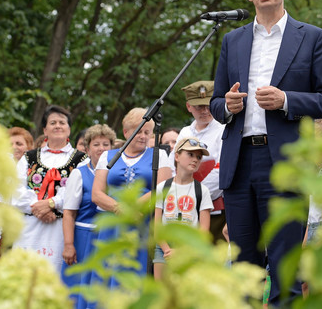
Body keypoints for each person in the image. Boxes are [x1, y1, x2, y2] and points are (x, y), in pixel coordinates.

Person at [209, 0, 322, 304]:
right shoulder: (232, 41)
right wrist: (228, 106)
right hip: (238, 166)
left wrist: (286, 100)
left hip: (285, 164)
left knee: (284, 269)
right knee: (244, 269)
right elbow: (215, 103)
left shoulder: (312, 37)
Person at [91, 107, 172, 287]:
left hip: (142, 222)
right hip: (112, 224)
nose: (143, 136)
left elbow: (162, 189)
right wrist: (120, 208)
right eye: (138, 131)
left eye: (147, 132)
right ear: (126, 132)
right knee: (107, 273)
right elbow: (97, 194)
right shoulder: (108, 156)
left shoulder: (159, 155)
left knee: (134, 273)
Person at [11, 105, 87, 273]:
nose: (58, 126)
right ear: (45, 130)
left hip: (61, 229)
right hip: (30, 227)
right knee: (24, 274)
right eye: (53, 123)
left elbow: (77, 190)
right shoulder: (29, 157)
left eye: (62, 122)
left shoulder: (81, 159)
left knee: (54, 276)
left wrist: (52, 203)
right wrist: (39, 207)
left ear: (69, 129)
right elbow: (15, 190)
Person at [62, 124, 116, 309]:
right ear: (87, 149)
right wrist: (69, 245)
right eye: (96, 144)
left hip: (108, 238)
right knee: (78, 291)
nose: (101, 148)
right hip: (83, 239)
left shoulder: (115, 174)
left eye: (106, 144)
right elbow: (69, 212)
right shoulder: (79, 173)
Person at [170, 81, 226, 243]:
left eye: (208, 105)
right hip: (184, 208)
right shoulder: (185, 132)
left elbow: (221, 170)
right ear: (189, 107)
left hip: (215, 208)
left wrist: (195, 195)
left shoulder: (223, 128)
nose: (205, 111)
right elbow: (174, 167)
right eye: (199, 106)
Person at [154, 137, 213, 280]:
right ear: (176, 156)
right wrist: (168, 250)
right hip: (164, 248)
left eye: (199, 157)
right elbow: (156, 225)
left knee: (185, 294)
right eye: (190, 154)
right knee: (162, 293)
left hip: (190, 249)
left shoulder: (202, 190)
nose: (195, 159)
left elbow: (203, 232)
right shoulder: (163, 187)